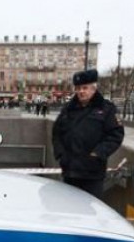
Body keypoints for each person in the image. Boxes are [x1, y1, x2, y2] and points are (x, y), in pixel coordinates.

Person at [51, 69, 125, 199]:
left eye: (85, 88)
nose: (81, 91)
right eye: (78, 88)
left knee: (90, 207)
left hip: (92, 173)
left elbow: (116, 134)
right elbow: (56, 132)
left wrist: (98, 153)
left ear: (93, 88)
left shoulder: (106, 108)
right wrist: (60, 154)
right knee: (69, 206)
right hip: (70, 171)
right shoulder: (68, 108)